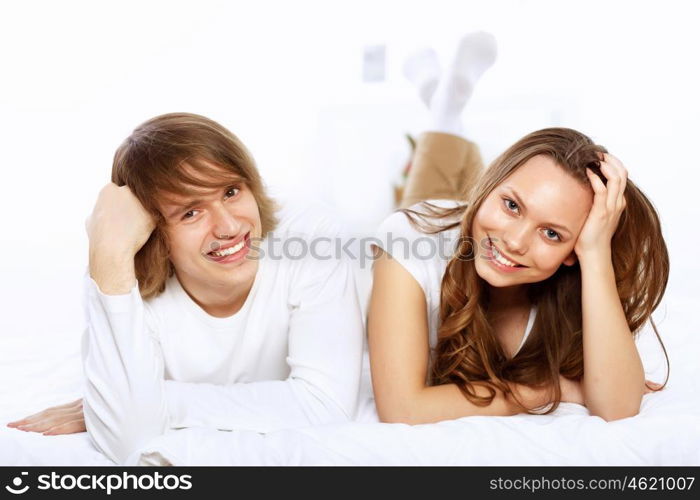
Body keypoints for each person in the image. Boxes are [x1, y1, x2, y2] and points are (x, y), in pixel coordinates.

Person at [7, 113, 364, 464]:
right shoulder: (115, 269)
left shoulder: (311, 235)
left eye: (231, 191)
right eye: (190, 213)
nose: (228, 227)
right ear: (151, 231)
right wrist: (110, 260)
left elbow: (325, 405)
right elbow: (129, 441)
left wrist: (151, 401)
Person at [369, 32, 668, 425]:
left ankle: (446, 110)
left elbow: (617, 406)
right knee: (423, 201)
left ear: (574, 251)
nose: (515, 241)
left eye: (553, 234)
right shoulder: (410, 236)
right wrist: (549, 389)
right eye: (512, 205)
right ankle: (444, 112)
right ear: (488, 184)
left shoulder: (577, 274)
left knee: (472, 213)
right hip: (439, 230)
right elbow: (403, 408)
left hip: (477, 224)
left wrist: (596, 254)